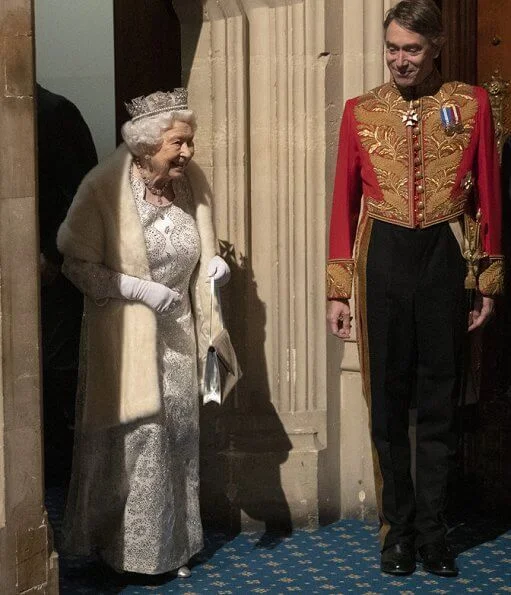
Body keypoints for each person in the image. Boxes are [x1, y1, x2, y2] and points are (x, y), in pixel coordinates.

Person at [327, 0, 503, 579]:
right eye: (392, 48)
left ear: (436, 49)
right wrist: (338, 288)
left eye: (412, 49)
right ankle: (396, 531)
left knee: (439, 401)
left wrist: (487, 279)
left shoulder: (470, 104)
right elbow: (342, 207)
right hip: (382, 256)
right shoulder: (360, 111)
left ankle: (433, 531)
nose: (400, 60)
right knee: (386, 401)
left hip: (444, 255)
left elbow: (490, 200)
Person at [57, 88, 231, 577]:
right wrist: (136, 287)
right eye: (179, 143)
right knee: (140, 438)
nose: (188, 153)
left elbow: (200, 244)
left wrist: (212, 265)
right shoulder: (104, 187)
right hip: (127, 334)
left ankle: (174, 547)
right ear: (148, 144)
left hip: (177, 332)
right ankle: (128, 551)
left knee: (177, 432)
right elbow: (75, 263)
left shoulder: (190, 183)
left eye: (189, 142)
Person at [37, 84, 98, 486]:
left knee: (56, 370)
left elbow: (81, 195)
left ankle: (59, 474)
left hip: (51, 273)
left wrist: (51, 257)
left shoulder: (55, 112)